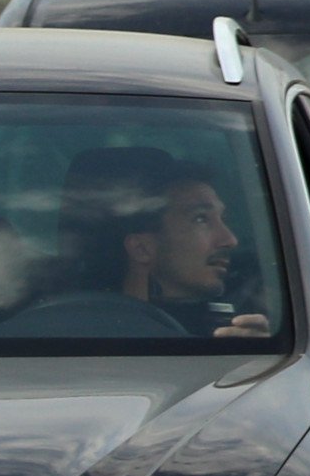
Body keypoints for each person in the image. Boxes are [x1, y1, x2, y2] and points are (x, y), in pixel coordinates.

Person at [55, 145, 272, 338]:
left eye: (223, 220)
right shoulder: (59, 332)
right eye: (200, 219)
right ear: (142, 248)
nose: (230, 240)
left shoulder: (231, 332)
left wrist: (253, 359)